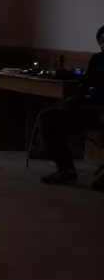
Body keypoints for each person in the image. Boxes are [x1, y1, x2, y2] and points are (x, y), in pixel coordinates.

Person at [37, 25, 104, 185]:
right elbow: (86, 86)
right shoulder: (97, 59)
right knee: (47, 118)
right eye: (101, 41)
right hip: (90, 108)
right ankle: (65, 169)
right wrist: (76, 99)